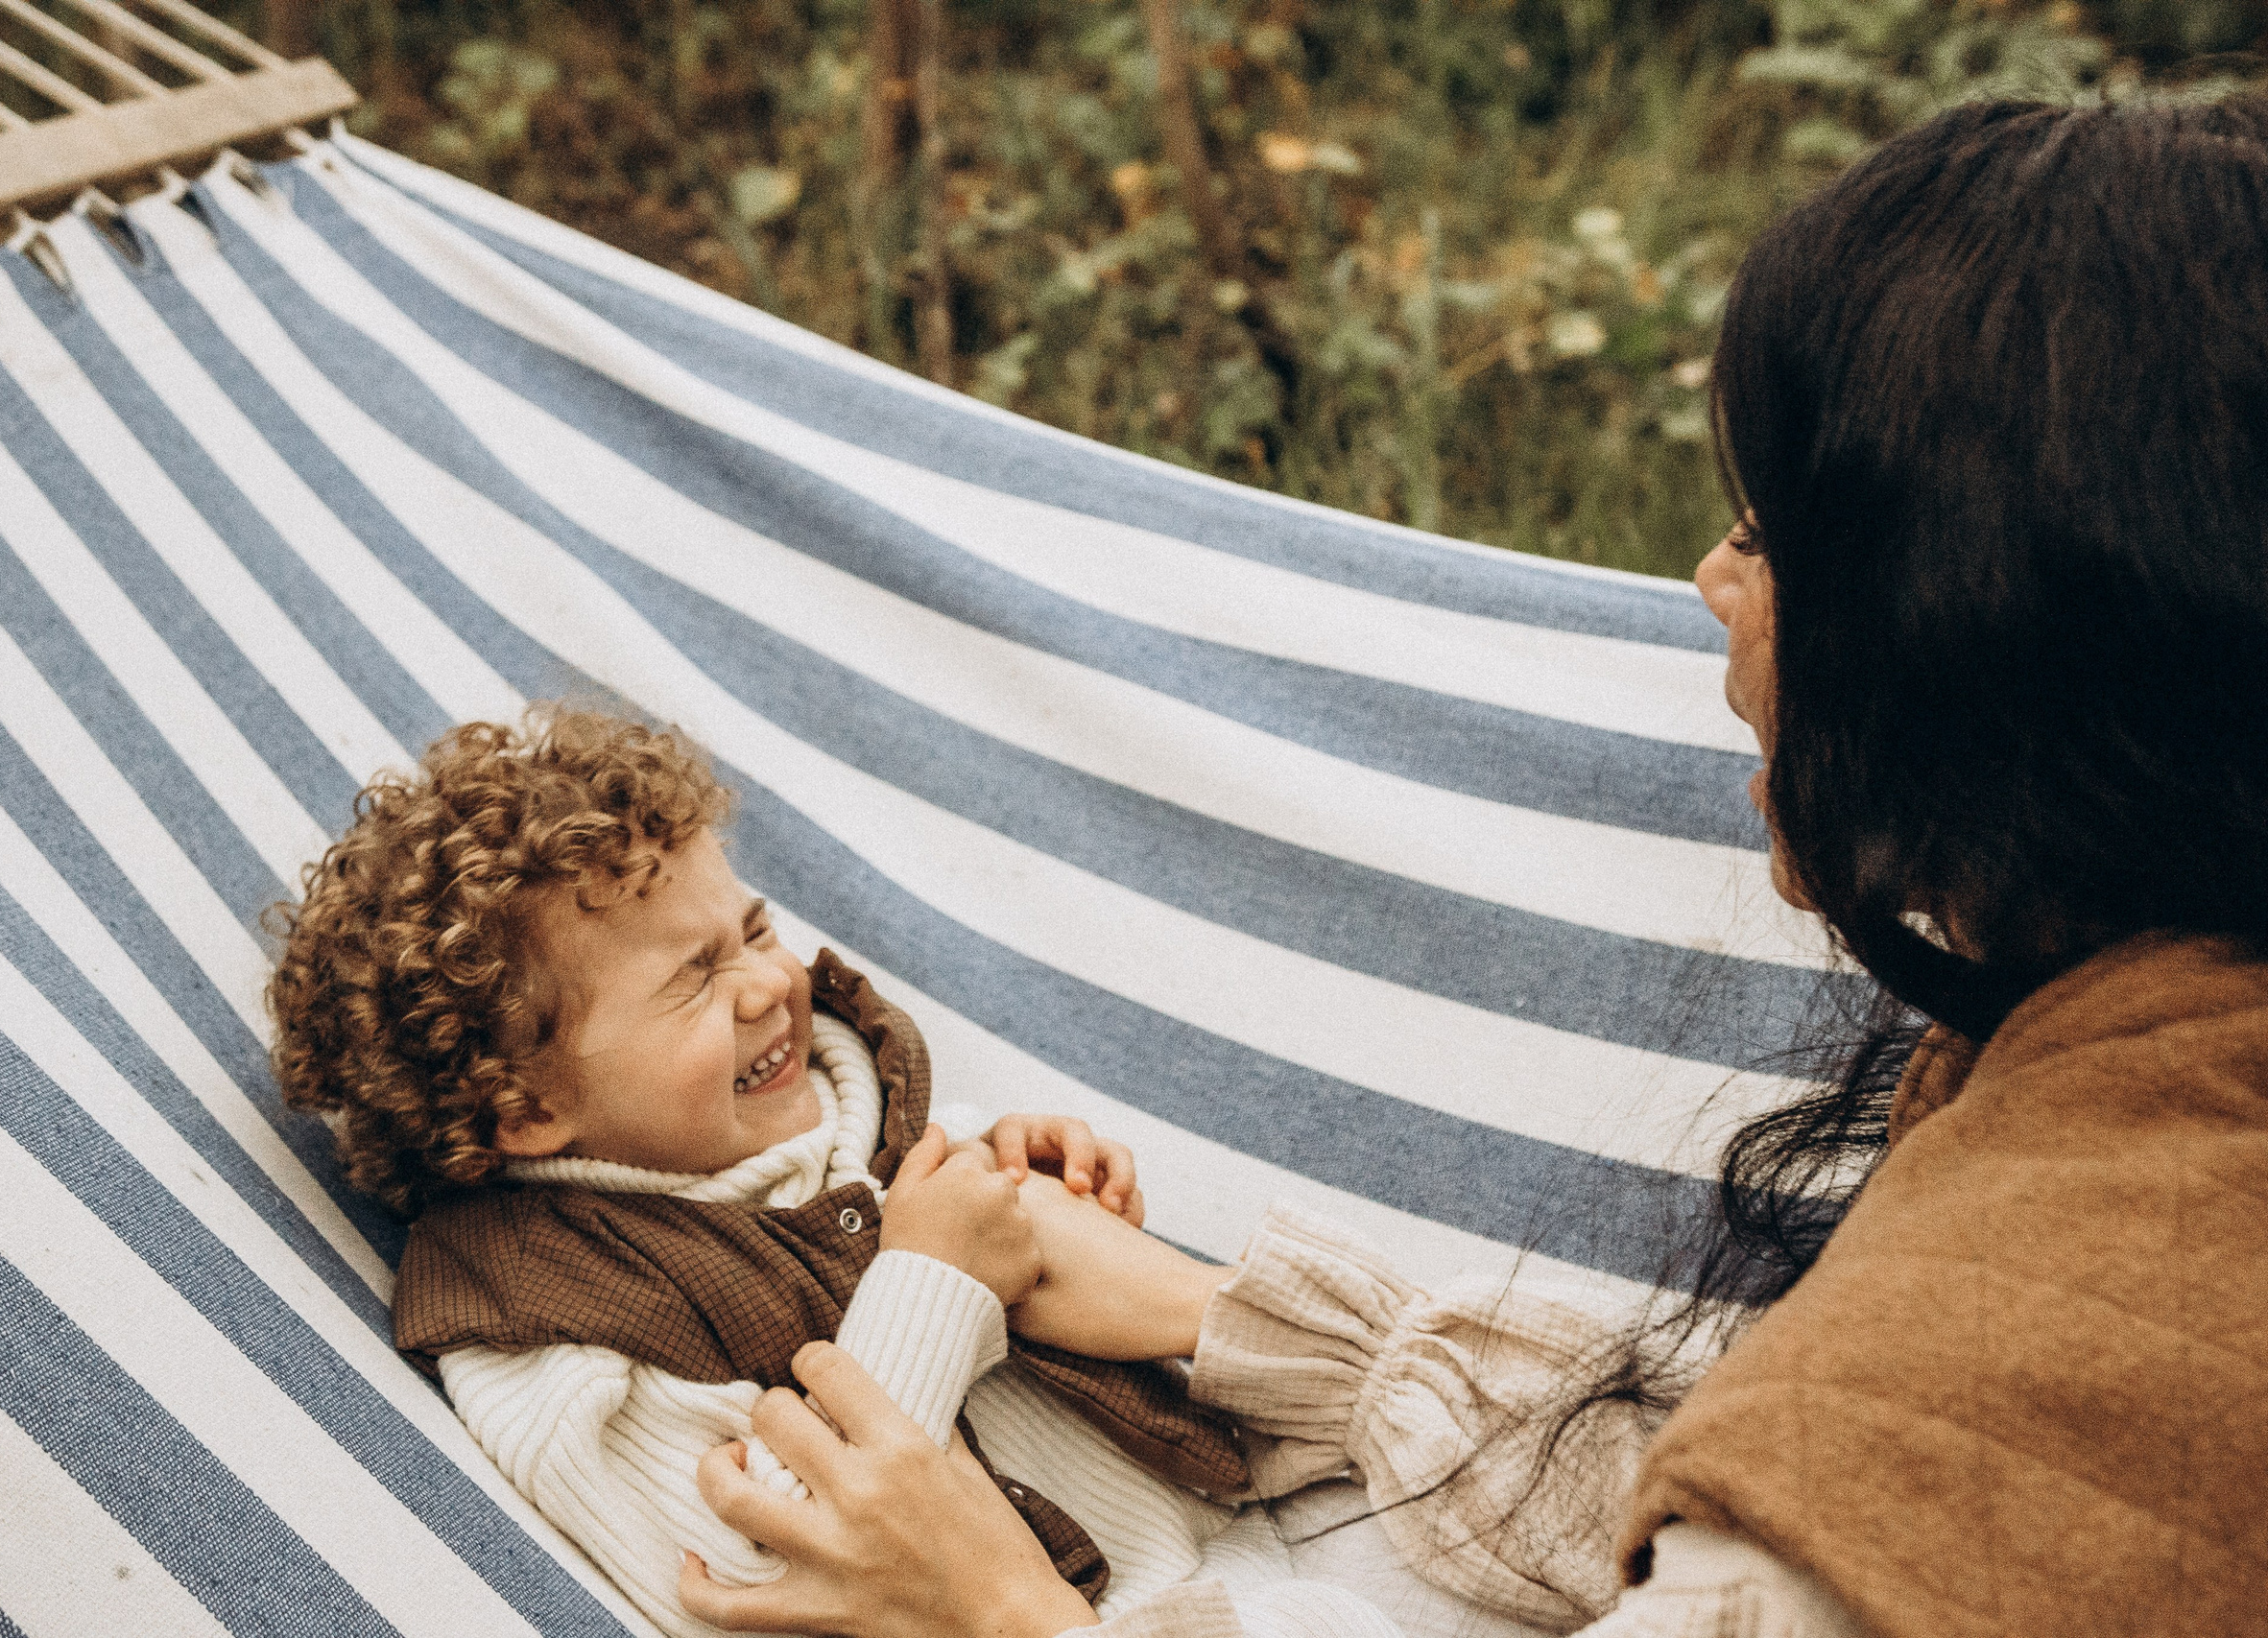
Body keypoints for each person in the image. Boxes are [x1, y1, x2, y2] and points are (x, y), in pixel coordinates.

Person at [668, 96, 2268, 1638]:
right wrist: (1231, 1319)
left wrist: (996, 1611)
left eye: (1769, 532)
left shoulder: (2042, 1312)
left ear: (1972, 623)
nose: (1709, 578)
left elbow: (1852, 1514)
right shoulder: (2146, 1071)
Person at [264, 706, 1373, 1638]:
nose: (767, 984)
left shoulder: (856, 1116)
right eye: (694, 978)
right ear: (528, 1109)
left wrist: (1031, 1181)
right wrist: (935, 1283)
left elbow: (1028, 1281)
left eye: (753, 931)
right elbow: (741, 1572)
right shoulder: (550, 1327)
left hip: (1268, 1523)